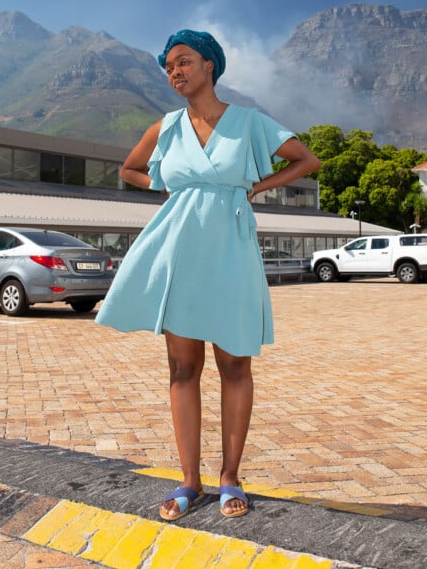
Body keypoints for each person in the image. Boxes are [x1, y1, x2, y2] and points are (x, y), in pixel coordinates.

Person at [95, 29, 320, 520]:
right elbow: (130, 169)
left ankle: (230, 478)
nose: (175, 72)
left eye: (183, 62)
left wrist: (256, 187)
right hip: (180, 249)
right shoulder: (165, 128)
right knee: (182, 368)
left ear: (209, 65)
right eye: (169, 67)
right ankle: (189, 481)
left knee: (235, 365)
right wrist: (173, 185)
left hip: (231, 249)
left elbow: (307, 160)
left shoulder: (249, 123)